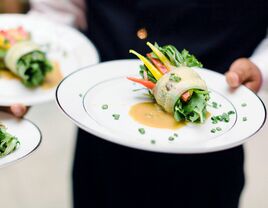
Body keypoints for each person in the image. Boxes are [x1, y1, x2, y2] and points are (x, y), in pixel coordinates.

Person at [29, 0, 268, 208]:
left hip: (211, 151)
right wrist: (32, 61)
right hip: (101, 142)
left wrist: (261, 67)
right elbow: (58, 10)